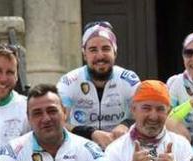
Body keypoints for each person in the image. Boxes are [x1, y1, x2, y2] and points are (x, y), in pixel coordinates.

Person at [57, 21, 140, 149]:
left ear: (115, 52)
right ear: (84, 54)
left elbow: (143, 114)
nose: (100, 56)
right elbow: (57, 122)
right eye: (93, 50)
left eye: (106, 48)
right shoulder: (68, 81)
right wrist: (91, 133)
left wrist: (125, 125)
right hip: (80, 149)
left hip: (120, 149)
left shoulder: (129, 80)